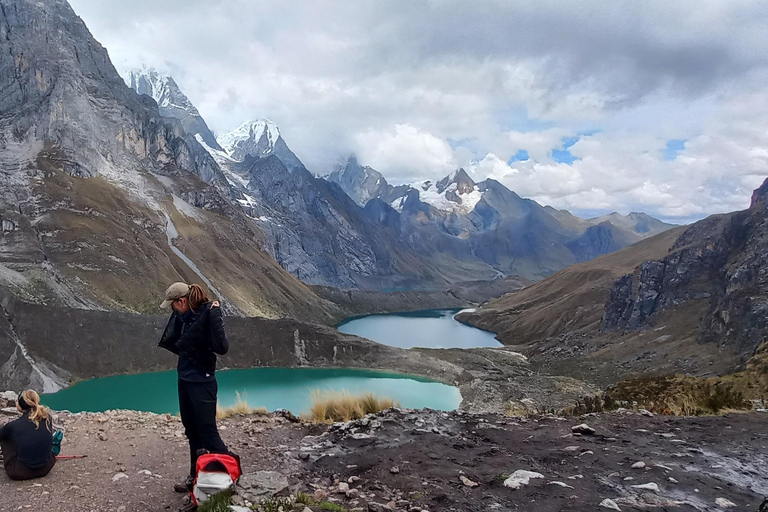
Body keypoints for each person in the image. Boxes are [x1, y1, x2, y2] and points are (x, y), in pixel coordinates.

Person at [158, 282, 231, 493]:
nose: (171, 309)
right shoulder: (182, 316)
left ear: (181, 301)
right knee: (192, 431)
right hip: (185, 379)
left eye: (172, 304)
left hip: (203, 382)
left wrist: (216, 315)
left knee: (208, 433)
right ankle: (195, 477)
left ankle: (229, 476)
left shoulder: (208, 315)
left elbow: (222, 347)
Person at [0, 390, 56, 480]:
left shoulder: (13, 425)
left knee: (5, 437)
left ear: (21, 405)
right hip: (46, 467)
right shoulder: (47, 418)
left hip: (20, 472)